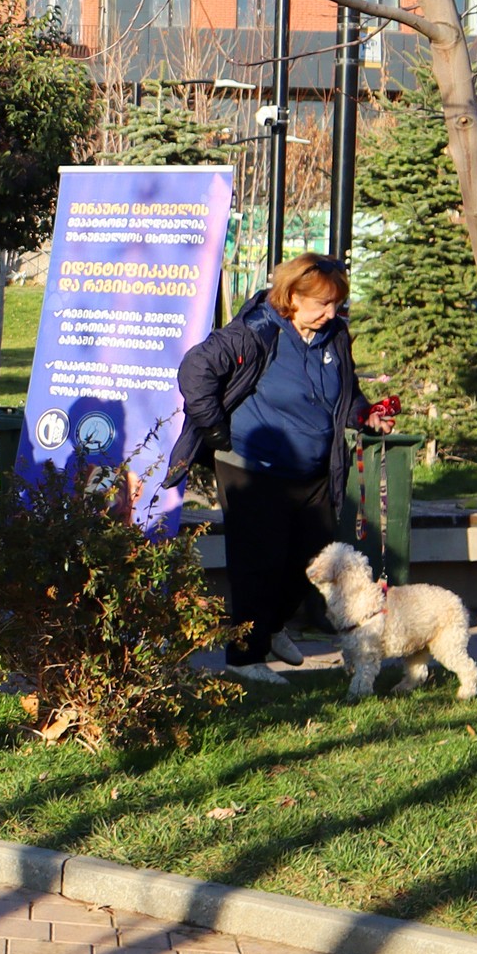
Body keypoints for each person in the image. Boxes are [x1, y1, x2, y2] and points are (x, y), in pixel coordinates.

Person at [167, 252, 392, 684]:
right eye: (322, 304)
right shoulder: (258, 331)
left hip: (313, 472)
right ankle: (244, 657)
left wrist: (366, 415)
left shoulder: (336, 337)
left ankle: (270, 629)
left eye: (336, 304)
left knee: (315, 560)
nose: (332, 313)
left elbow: (346, 393)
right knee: (259, 564)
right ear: (291, 296)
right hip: (253, 468)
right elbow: (196, 369)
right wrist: (214, 430)